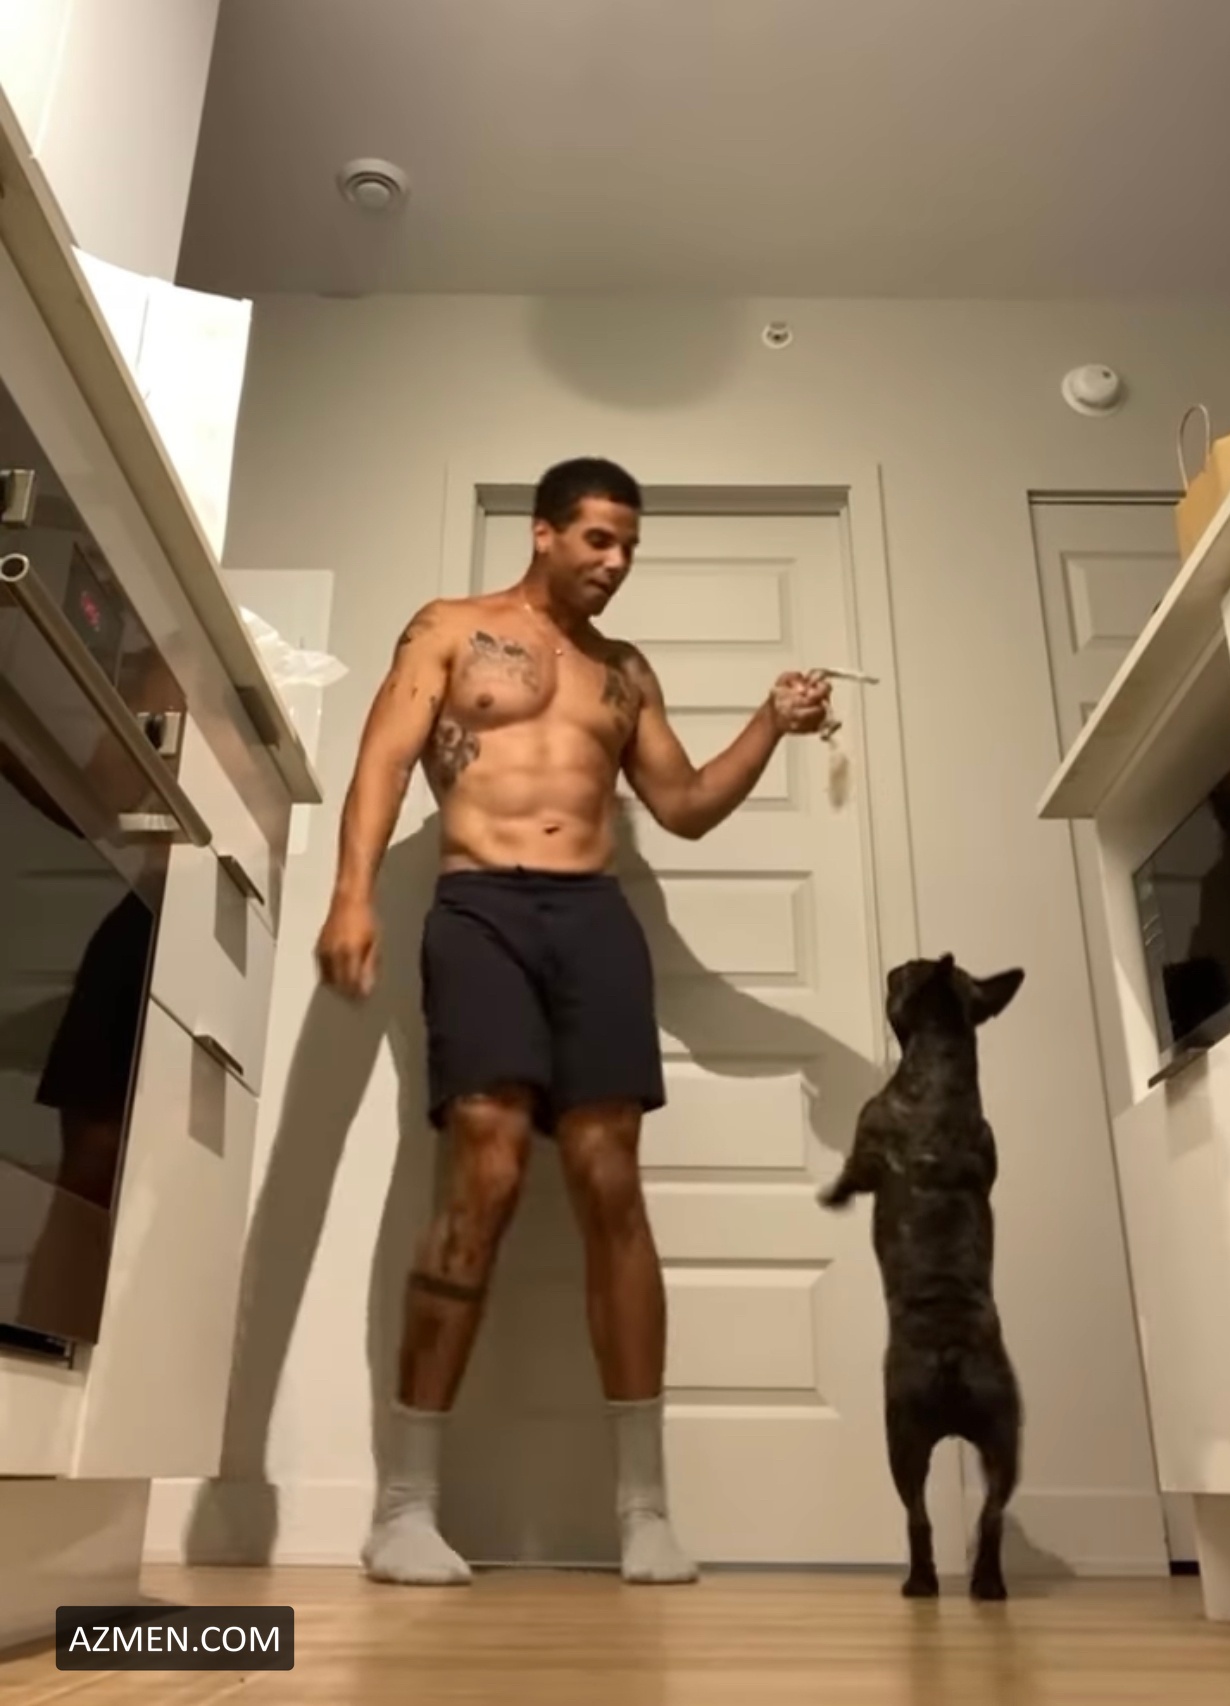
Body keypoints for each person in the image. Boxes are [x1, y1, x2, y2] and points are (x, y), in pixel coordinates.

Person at [316, 457, 833, 1586]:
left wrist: (771, 721)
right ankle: (403, 1508)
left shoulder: (623, 672)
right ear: (543, 532)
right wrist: (352, 893)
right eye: (599, 538)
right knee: (487, 1166)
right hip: (480, 909)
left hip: (594, 918)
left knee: (610, 1181)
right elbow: (383, 761)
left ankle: (645, 1511)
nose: (616, 561)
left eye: (630, 545)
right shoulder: (450, 629)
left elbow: (684, 806)